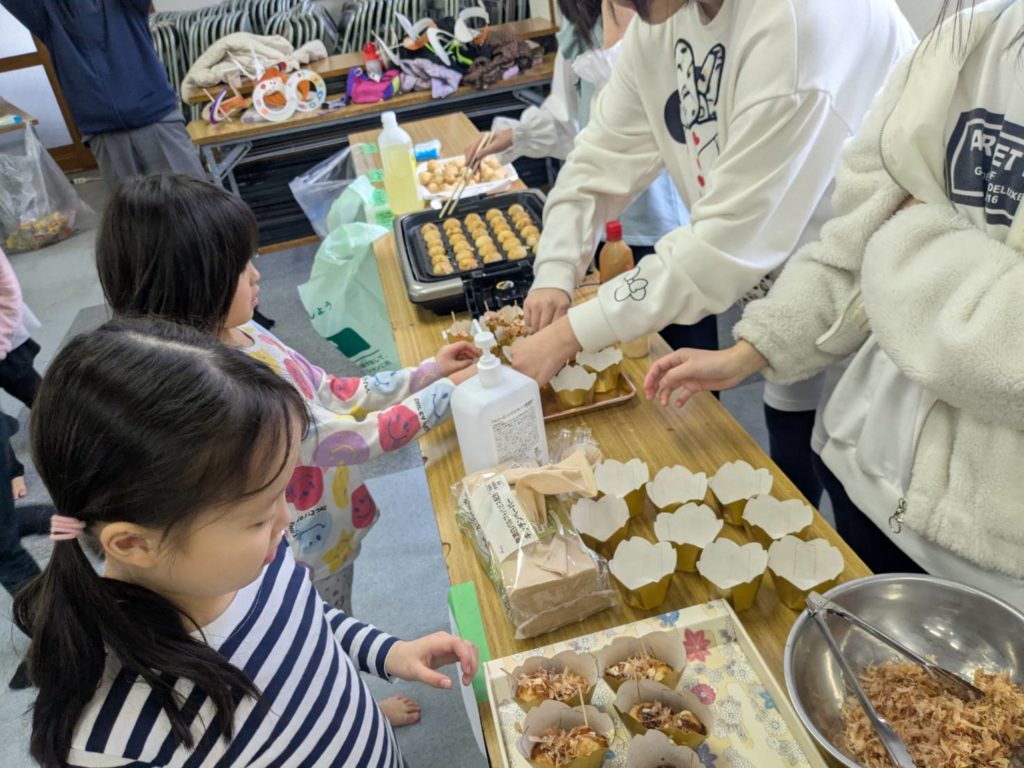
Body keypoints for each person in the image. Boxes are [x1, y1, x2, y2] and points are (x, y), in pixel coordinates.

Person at [645, 0, 1024, 606]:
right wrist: (753, 349)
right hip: (860, 471)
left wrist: (906, 232)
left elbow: (1005, 351)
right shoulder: (963, 41)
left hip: (995, 560)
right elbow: (851, 245)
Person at [95, 173, 478, 726]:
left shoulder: (247, 333)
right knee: (315, 632)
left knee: (338, 616)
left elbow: (330, 389)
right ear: (191, 283)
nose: (257, 273)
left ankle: (353, 692)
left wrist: (424, 374)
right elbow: (345, 439)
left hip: (326, 517)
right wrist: (444, 396)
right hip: (291, 544)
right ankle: (354, 706)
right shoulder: (222, 392)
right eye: (239, 267)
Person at [12, 317, 479, 767]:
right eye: (258, 518)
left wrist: (389, 653)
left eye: (281, 495)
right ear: (133, 544)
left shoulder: (260, 561)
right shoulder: (112, 735)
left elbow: (311, 621)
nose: (286, 519)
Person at [509, 0, 916, 505]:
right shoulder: (662, 24)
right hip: (786, 293)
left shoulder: (796, 23)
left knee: (862, 486)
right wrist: (554, 270)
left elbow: (724, 243)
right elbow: (599, 159)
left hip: (876, 293)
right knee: (791, 439)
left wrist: (571, 333)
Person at [464, 0, 716, 352]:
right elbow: (587, 138)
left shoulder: (679, 22)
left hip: (667, 223)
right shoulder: (584, 26)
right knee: (625, 354)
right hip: (598, 225)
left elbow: (736, 233)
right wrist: (555, 270)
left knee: (682, 349)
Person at [0, 1, 205, 183]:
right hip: (103, 132)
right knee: (131, 212)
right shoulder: (47, 11)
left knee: (193, 205)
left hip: (157, 118)